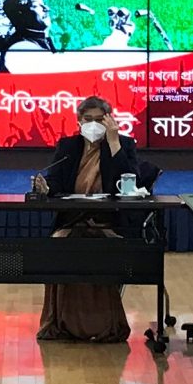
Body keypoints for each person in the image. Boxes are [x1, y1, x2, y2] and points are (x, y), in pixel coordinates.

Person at [31, 97, 146, 342]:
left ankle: (104, 324)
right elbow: (55, 182)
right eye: (88, 119)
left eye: (99, 120)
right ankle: (60, 323)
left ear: (110, 121)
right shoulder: (68, 146)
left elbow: (130, 183)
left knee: (99, 250)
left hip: (109, 223)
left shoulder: (124, 144)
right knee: (61, 246)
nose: (93, 124)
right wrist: (45, 188)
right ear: (78, 121)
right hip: (72, 221)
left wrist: (113, 143)